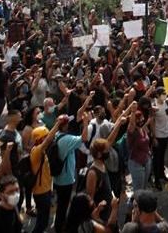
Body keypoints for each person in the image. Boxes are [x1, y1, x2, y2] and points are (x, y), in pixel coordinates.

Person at [52, 98, 92, 233]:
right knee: (63, 206)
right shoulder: (67, 140)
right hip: (66, 179)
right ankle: (60, 227)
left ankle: (59, 224)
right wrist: (86, 123)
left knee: (61, 204)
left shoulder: (56, 135)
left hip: (58, 178)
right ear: (64, 126)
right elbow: (84, 138)